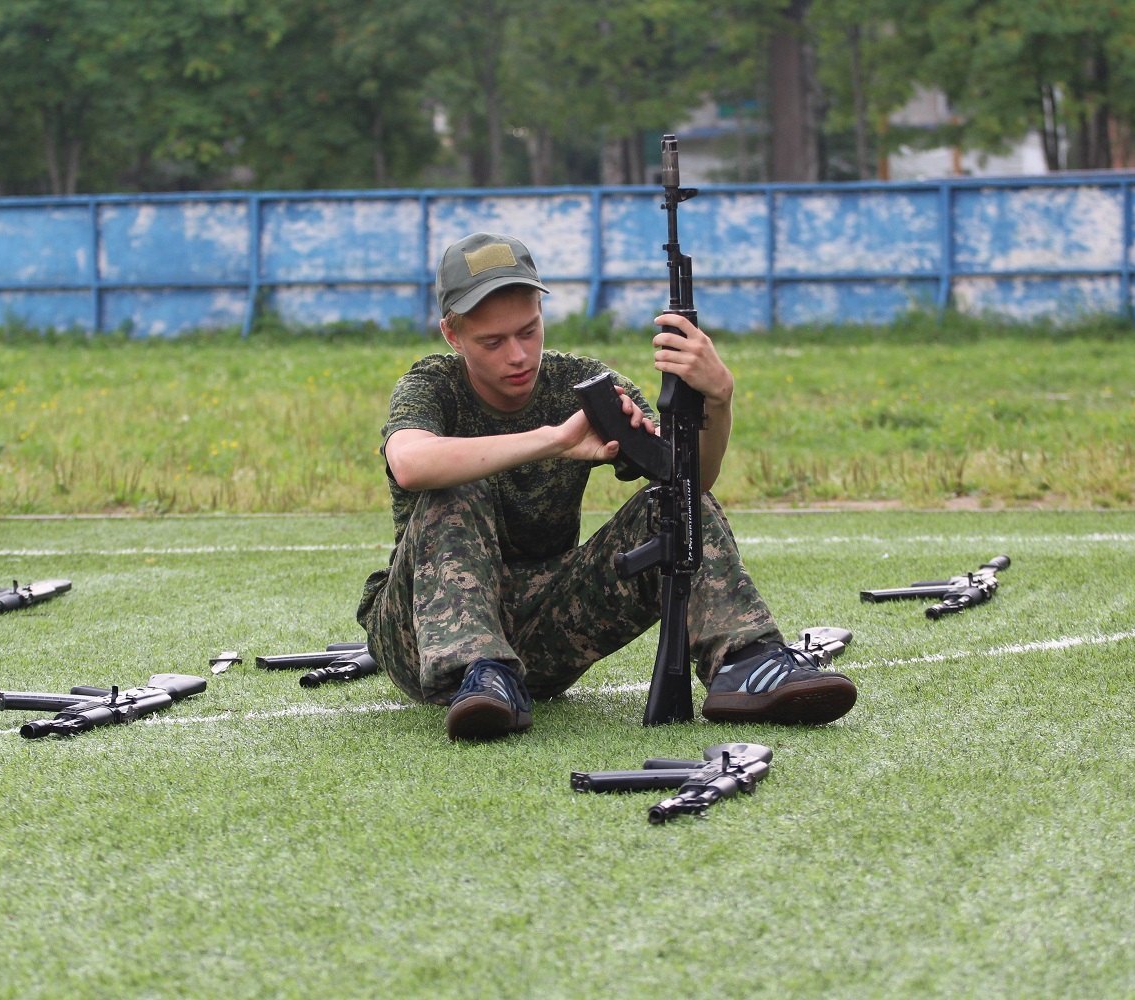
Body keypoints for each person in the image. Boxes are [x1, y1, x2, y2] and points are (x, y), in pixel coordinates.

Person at [356, 232, 856, 740]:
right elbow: (412, 464)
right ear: (452, 335)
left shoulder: (582, 381)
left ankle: (748, 662)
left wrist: (718, 399)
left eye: (529, 331)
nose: (518, 355)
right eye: (493, 341)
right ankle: (479, 670)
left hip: (543, 632)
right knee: (456, 485)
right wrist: (553, 441)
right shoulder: (431, 385)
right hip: (422, 634)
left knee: (674, 501)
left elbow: (692, 480)